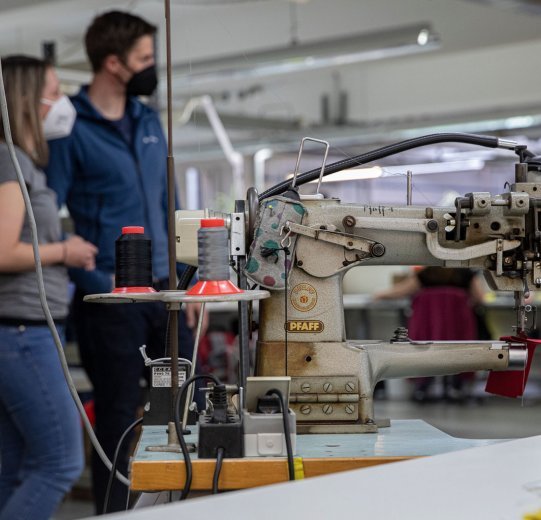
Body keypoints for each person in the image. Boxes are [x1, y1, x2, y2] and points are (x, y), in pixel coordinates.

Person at [45, 11, 201, 513]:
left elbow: (169, 206)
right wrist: (92, 277)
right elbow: (49, 214)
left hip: (165, 292)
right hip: (110, 302)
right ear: (113, 63)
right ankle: (113, 512)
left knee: (183, 405)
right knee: (115, 415)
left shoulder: (148, 119)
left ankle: (183, 503)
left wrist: (186, 282)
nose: (153, 67)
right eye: (145, 59)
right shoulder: (69, 126)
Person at [0, 55, 97, 520]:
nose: (61, 103)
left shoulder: (20, 161)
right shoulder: (9, 159)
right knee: (60, 462)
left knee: (15, 466)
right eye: (54, 92)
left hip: (19, 332)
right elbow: (3, 252)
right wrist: (66, 252)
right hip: (23, 333)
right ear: (24, 98)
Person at [375, 267, 490, 401]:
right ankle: (457, 384)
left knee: (422, 348)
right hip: (459, 331)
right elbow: (480, 298)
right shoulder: (466, 274)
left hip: (429, 330)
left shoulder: (426, 273)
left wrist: (379, 294)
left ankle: (423, 385)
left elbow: (400, 291)